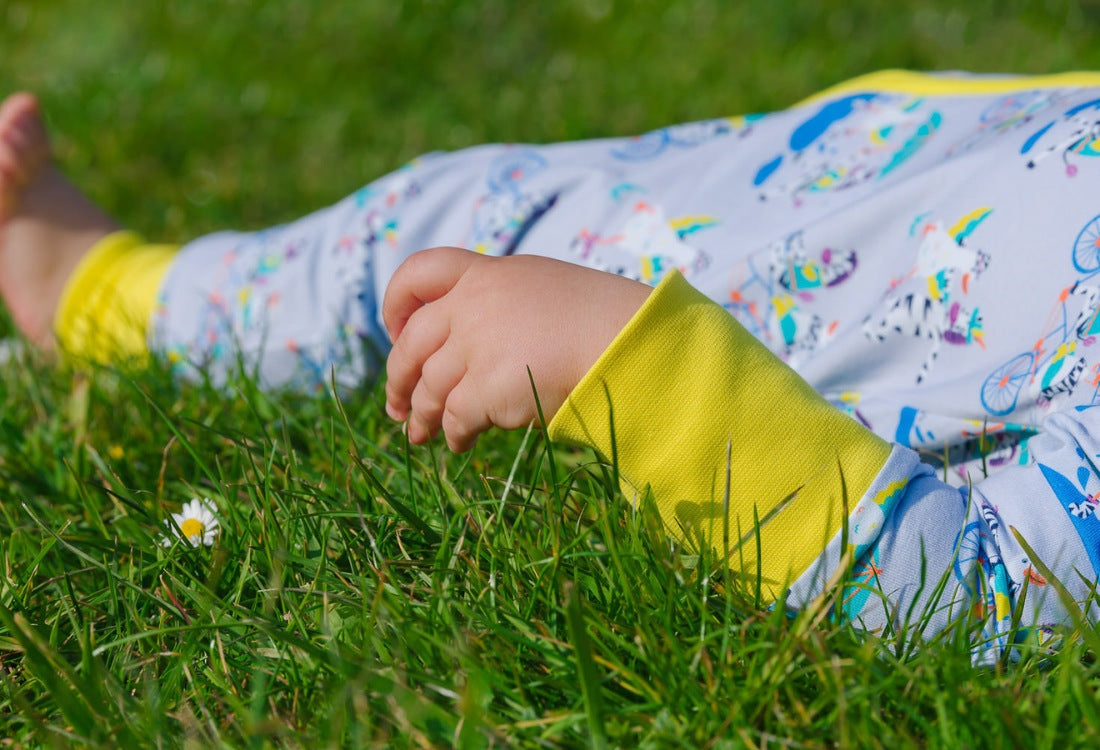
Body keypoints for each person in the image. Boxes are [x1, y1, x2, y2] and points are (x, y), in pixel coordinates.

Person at [5, 70, 1100, 659]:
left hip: (734, 301)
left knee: (415, 248)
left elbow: (976, 599)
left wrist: (618, 361)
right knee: (461, 206)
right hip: (848, 176)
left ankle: (99, 297)